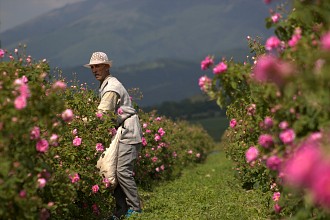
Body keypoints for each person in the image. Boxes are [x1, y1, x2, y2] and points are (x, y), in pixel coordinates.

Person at [84, 52, 143, 219]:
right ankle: (121, 210)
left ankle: (135, 209)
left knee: (122, 170)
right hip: (122, 132)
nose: (95, 70)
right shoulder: (106, 84)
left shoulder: (111, 88)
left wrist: (81, 122)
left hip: (128, 132)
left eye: (98, 66)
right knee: (114, 172)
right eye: (92, 67)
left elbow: (102, 114)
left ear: (107, 67)